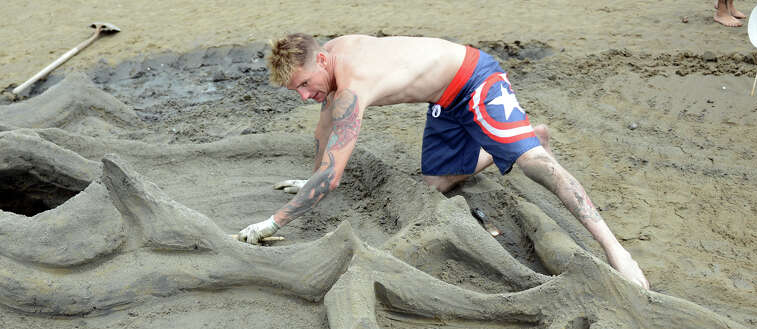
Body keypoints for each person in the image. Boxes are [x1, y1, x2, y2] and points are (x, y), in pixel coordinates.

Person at [238, 33, 650, 289]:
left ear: (322, 61)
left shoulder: (352, 87)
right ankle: (520, 137)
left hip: (475, 79)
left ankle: (615, 251)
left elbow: (333, 176)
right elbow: (323, 130)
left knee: (535, 166)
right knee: (435, 183)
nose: (305, 96)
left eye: (306, 84)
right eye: (296, 90)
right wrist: (308, 177)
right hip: (444, 100)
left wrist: (272, 223)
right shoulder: (333, 53)